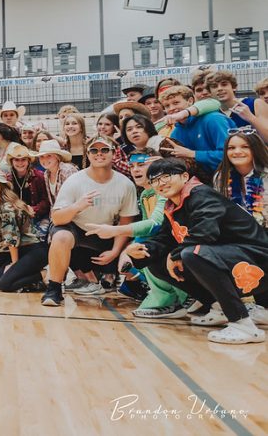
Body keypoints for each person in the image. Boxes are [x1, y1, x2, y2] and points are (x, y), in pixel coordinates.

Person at [127, 159, 268, 344]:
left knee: (192, 253)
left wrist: (175, 255)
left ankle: (243, 324)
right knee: (155, 259)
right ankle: (218, 308)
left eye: (166, 176)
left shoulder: (201, 195)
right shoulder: (173, 205)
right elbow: (165, 238)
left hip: (256, 259)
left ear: (185, 176)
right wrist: (141, 250)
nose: (161, 183)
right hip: (228, 258)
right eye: (154, 180)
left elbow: (205, 233)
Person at [85, 150, 190, 317]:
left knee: (147, 253)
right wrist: (131, 247)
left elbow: (155, 224)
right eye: (132, 166)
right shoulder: (145, 193)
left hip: (180, 244)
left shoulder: (162, 192)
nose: (135, 170)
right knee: (137, 255)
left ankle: (179, 298)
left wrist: (116, 231)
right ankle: (168, 297)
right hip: (164, 241)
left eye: (141, 165)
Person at [41, 136, 138, 306]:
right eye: (94, 150)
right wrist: (77, 206)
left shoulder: (125, 184)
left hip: (105, 233)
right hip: (77, 230)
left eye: (104, 150)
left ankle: (138, 286)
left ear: (114, 153)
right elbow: (56, 218)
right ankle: (54, 289)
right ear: (88, 154)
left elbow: (125, 223)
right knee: (60, 236)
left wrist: (115, 251)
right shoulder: (75, 181)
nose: (99, 154)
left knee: (134, 247)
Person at [0, 171, 48, 292]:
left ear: (2, 186)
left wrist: (13, 264)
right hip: (17, 250)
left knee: (4, 284)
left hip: (33, 249)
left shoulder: (6, 207)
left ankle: (44, 274)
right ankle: (29, 281)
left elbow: (12, 239)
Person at [159, 85, 232, 177]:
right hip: (201, 182)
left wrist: (192, 154)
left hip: (230, 178)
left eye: (176, 102)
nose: (171, 108)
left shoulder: (214, 119)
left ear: (190, 101)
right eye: (167, 106)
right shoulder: (175, 133)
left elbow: (230, 154)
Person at [214, 127, 268, 230]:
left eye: (245, 146)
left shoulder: (266, 175)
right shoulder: (221, 176)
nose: (237, 151)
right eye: (231, 148)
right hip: (237, 233)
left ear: (255, 149)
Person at [208, 70, 268, 141]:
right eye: (214, 86)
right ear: (210, 92)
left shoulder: (255, 103)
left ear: (234, 87)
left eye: (224, 84)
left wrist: (251, 118)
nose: (219, 88)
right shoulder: (213, 114)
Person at [6, 144, 50, 239]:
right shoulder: (8, 179)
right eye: (16, 160)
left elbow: (46, 201)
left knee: (38, 238)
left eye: (23, 159)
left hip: (37, 216)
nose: (20, 163)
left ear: (29, 161)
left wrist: (34, 209)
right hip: (16, 216)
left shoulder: (39, 176)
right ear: (12, 161)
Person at [36, 139, 78, 208]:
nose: (45, 159)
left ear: (57, 157)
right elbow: (53, 203)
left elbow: (75, 199)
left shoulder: (67, 170)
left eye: (49, 155)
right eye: (42, 156)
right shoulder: (46, 174)